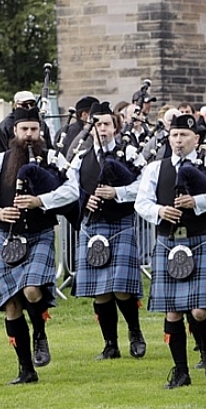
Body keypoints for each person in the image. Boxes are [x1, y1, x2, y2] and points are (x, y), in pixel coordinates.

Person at [0, 106, 79, 384]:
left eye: (33, 129)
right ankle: (26, 370)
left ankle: (40, 334)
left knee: (32, 290)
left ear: (40, 131)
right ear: (14, 132)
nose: (29, 135)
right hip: (6, 237)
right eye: (24, 130)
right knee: (11, 305)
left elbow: (72, 190)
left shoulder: (53, 159)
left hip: (39, 234)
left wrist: (41, 201)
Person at [135, 113, 206, 389]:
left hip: (200, 239)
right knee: (173, 312)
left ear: (196, 139)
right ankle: (180, 371)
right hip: (168, 242)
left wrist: (198, 201)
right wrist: (158, 210)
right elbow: (141, 202)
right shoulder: (156, 168)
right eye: (175, 135)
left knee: (201, 311)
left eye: (185, 135)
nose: (179, 140)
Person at [69, 102, 147, 360]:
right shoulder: (80, 158)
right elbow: (69, 190)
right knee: (101, 290)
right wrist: (84, 199)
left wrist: (118, 193)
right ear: (89, 128)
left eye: (106, 124)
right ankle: (110, 345)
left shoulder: (130, 154)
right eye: (96, 124)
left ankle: (135, 332)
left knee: (122, 287)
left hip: (120, 224)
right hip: (92, 226)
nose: (101, 128)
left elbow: (145, 185)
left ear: (115, 127)